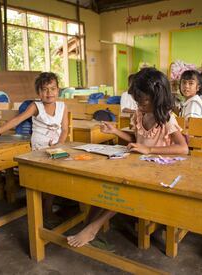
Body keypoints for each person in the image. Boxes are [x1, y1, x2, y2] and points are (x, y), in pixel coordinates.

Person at [67, 68, 188, 248]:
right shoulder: (139, 114)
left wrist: (148, 149)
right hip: (138, 166)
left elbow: (183, 148)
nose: (140, 105)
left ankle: (93, 228)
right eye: (137, 101)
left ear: (158, 97)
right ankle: (88, 224)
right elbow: (136, 140)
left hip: (160, 171)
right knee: (105, 183)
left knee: (123, 189)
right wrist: (115, 131)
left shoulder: (167, 119)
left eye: (144, 101)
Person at [0, 72, 68, 222]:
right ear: (38, 92)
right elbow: (17, 120)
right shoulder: (36, 106)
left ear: (58, 90)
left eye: (52, 89)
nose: (49, 93)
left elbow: (65, 129)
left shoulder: (62, 106)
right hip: (39, 149)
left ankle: (49, 205)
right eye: (44, 89)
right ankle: (45, 212)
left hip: (57, 147)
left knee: (57, 177)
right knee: (45, 179)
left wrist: (59, 144)